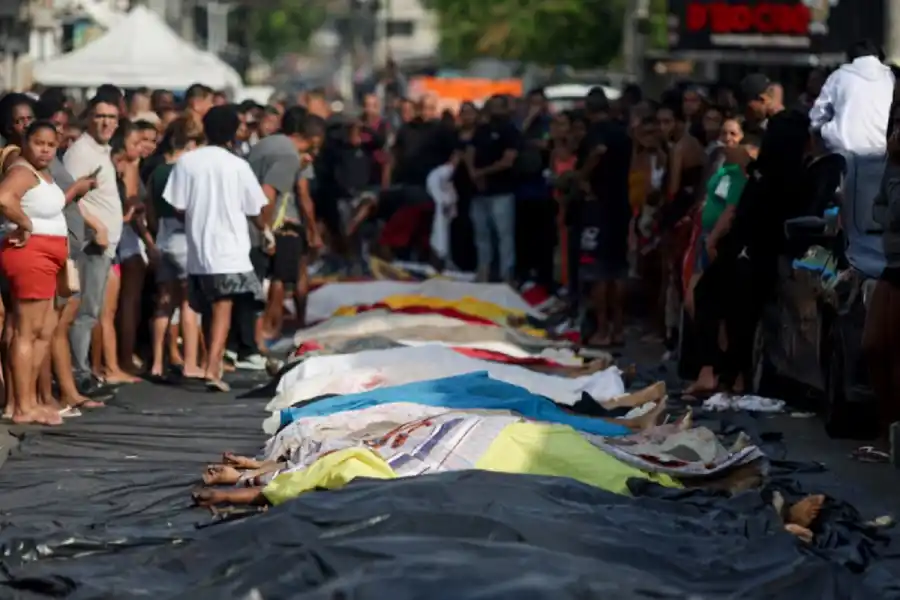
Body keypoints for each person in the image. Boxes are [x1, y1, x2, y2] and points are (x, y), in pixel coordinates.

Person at [163, 105, 272, 392]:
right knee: (223, 309)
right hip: (230, 248)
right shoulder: (238, 165)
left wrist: (197, 217)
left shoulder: (187, 162)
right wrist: (266, 231)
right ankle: (212, 366)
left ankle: (207, 362)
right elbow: (255, 208)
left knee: (205, 307)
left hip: (199, 247)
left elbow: (177, 206)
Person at [0, 121, 71, 425]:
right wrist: (25, 223)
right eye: (39, 143)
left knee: (41, 331)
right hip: (31, 255)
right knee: (26, 331)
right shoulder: (21, 171)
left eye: (51, 145)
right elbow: (4, 199)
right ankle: (23, 406)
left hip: (49, 255)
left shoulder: (42, 174)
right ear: (26, 142)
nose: (45, 149)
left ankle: (26, 401)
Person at [63, 95, 122, 398]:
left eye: (111, 116)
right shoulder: (81, 152)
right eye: (100, 116)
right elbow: (68, 195)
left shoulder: (100, 150)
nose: (106, 122)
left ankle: (83, 371)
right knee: (85, 312)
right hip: (89, 244)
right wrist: (97, 226)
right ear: (89, 117)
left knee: (93, 312)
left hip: (103, 245)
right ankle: (78, 374)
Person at [248, 107, 323, 341]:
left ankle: (257, 333)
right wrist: (266, 229)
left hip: (249, 220)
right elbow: (271, 193)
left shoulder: (265, 144)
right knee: (282, 277)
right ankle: (271, 330)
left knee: (259, 282)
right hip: (276, 223)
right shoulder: (291, 155)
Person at [146, 118, 206, 381]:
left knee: (164, 302)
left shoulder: (157, 172)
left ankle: (157, 362)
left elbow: (149, 209)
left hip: (163, 237)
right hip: (184, 238)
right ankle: (191, 363)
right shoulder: (187, 171)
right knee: (189, 303)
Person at [576, 88, 632, 347]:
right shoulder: (622, 132)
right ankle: (619, 327)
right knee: (618, 271)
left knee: (598, 271)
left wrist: (582, 176)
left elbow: (598, 151)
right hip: (621, 204)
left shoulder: (595, 133)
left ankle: (602, 328)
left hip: (598, 207)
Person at [862, 108, 900, 461]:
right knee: (874, 344)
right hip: (892, 263)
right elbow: (879, 208)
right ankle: (888, 428)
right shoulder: (893, 163)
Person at [466, 94, 521, 282]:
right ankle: (484, 271)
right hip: (479, 191)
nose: (494, 110)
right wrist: (473, 172)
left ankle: (507, 274)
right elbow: (469, 151)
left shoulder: (511, 131)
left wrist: (482, 173)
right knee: (481, 234)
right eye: (492, 106)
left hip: (502, 190)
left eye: (498, 106)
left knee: (504, 235)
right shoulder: (481, 129)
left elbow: (508, 160)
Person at [810, 40, 894, 155]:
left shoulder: (838, 76)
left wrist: (824, 130)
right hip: (882, 153)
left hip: (842, 152)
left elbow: (817, 115)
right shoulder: (890, 77)